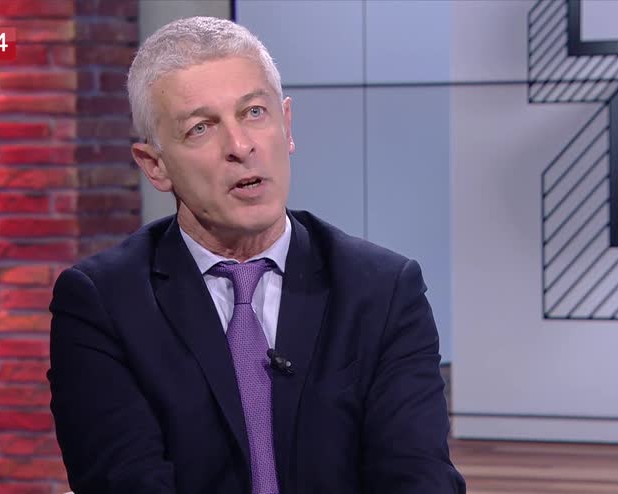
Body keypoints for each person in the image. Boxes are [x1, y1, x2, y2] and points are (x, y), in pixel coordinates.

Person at [48, 16, 466, 494]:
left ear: (286, 126)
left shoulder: (382, 290)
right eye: (200, 128)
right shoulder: (103, 305)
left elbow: (418, 478)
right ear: (155, 165)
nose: (240, 146)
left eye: (253, 112)